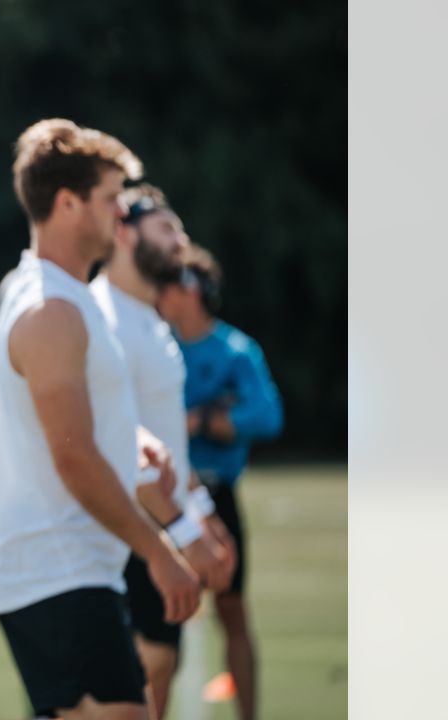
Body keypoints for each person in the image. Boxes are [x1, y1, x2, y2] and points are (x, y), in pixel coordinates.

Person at [0, 118, 201, 720]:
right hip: (55, 569)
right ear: (68, 202)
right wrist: (160, 551)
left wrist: (135, 442)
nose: (120, 217)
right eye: (111, 201)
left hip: (71, 569)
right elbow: (72, 456)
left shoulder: (71, 297)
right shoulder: (51, 308)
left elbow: (82, 428)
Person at [90, 183, 237, 719]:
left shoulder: (150, 318)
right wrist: (184, 535)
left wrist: (204, 518)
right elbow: (122, 444)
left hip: (162, 518)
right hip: (125, 530)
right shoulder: (103, 318)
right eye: (167, 228)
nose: (182, 240)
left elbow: (164, 438)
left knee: (159, 666)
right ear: (125, 234)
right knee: (131, 675)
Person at [157, 244, 283, 720]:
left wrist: (205, 421)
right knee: (161, 622)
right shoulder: (154, 342)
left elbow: (267, 415)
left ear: (190, 290)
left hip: (216, 491)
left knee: (232, 611)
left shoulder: (234, 349)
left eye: (167, 281)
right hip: (162, 494)